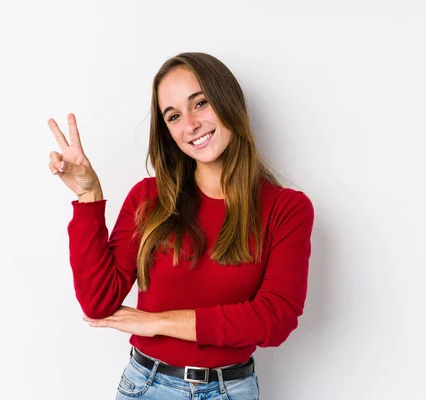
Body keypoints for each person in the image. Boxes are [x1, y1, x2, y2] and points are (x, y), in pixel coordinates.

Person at [47, 52, 314, 399]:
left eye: (200, 103)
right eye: (173, 116)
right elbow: (99, 302)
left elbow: (274, 320)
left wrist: (157, 322)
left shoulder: (287, 209)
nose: (190, 125)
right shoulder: (149, 198)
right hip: (146, 386)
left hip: (229, 390)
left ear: (227, 100)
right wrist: (88, 195)